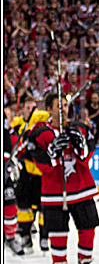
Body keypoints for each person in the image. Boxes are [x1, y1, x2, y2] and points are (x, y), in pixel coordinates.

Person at [33, 92, 99, 264]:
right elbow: (40, 163)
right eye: (58, 105)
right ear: (49, 109)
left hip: (81, 189)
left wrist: (82, 147)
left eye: (65, 105)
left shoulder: (80, 128)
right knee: (57, 232)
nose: (63, 108)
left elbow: (87, 157)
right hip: (54, 192)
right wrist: (52, 154)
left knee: (88, 229)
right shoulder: (39, 134)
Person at [12, 103, 51, 252]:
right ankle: (25, 235)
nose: (31, 111)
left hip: (43, 174)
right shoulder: (19, 125)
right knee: (24, 207)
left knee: (44, 207)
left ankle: (44, 236)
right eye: (27, 108)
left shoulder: (43, 120)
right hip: (27, 172)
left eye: (32, 107)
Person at [3, 116, 23, 254]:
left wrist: (13, 166)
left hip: (4, 174)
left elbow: (15, 154)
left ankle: (10, 237)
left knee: (10, 207)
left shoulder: (8, 134)